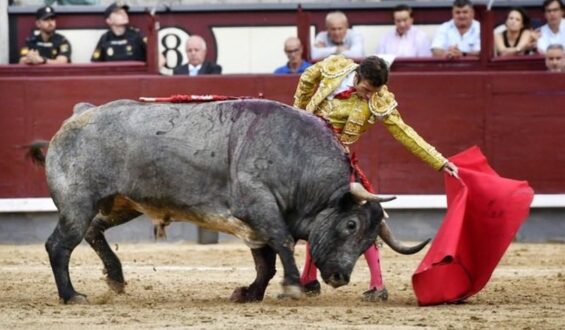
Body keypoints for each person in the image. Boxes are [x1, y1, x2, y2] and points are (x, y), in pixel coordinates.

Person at [293, 54, 458, 301]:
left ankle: (377, 285)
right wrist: (298, 111)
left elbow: (405, 133)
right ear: (357, 75)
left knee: (364, 218)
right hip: (306, 155)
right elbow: (307, 78)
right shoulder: (335, 67)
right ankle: (308, 279)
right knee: (315, 216)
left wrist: (440, 162)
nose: (369, 96)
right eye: (366, 89)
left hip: (336, 162)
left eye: (374, 91)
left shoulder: (379, 100)